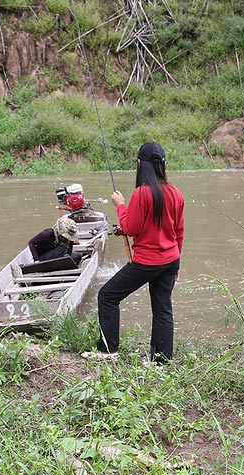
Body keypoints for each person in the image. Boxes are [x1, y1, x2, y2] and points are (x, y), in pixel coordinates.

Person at [84, 142, 185, 363]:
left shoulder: (142, 193)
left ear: (140, 164)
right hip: (171, 260)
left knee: (107, 296)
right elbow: (178, 231)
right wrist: (177, 264)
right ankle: (161, 362)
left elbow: (131, 227)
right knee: (163, 310)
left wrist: (120, 205)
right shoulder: (176, 193)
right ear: (163, 165)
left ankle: (107, 351)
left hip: (148, 262)